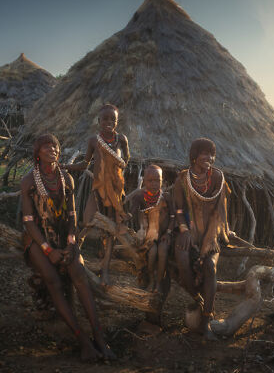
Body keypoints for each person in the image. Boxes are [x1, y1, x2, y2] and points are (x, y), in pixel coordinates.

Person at [21, 133, 115, 361]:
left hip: (64, 237)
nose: (52, 150)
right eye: (46, 147)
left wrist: (71, 242)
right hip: (37, 239)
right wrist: (48, 250)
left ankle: (99, 337)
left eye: (54, 146)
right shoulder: (29, 181)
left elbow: (73, 216)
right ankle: (83, 341)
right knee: (53, 280)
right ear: (37, 152)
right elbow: (28, 222)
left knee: (79, 274)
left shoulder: (66, 179)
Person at [64, 104, 129, 285]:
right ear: (99, 121)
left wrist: (117, 171)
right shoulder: (94, 140)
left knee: (110, 232)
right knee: (87, 220)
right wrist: (66, 167)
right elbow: (85, 164)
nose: (109, 122)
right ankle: (74, 259)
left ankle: (105, 270)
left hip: (115, 191)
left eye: (112, 120)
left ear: (117, 122)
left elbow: (127, 159)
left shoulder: (121, 139)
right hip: (98, 188)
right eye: (105, 119)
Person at [173, 138, 230, 340]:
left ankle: (206, 323)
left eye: (212, 154)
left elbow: (218, 213)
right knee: (181, 258)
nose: (209, 157)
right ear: (195, 156)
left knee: (210, 267)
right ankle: (198, 299)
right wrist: (184, 230)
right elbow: (178, 209)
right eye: (204, 153)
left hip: (211, 232)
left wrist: (209, 239)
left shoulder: (218, 178)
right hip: (188, 229)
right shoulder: (182, 179)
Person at [125, 165, 174, 293]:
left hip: (164, 236)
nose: (154, 184)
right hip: (148, 238)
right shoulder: (140, 197)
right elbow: (133, 211)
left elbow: (173, 217)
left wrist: (168, 233)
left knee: (162, 252)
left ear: (162, 181)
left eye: (157, 180)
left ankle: (158, 283)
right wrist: (125, 217)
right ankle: (150, 277)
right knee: (152, 253)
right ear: (144, 181)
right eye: (150, 181)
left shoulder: (166, 197)